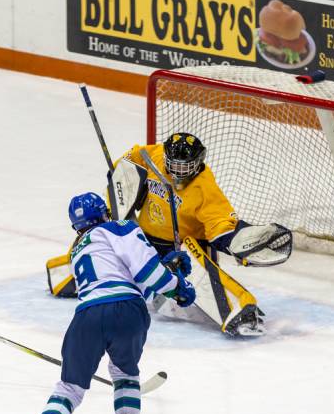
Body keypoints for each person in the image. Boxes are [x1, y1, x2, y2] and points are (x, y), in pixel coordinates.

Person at [7, 192, 195, 414]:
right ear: (105, 212)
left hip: (87, 316)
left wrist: (166, 269)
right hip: (129, 313)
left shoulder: (77, 250)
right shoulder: (120, 227)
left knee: (69, 388)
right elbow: (145, 276)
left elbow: (116, 277)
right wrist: (176, 285)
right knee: (125, 374)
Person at [119, 132, 292, 335]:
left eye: (184, 167)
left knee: (186, 284)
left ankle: (238, 308)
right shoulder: (154, 156)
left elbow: (220, 223)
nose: (177, 171)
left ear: (197, 163)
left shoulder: (204, 186)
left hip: (183, 250)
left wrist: (238, 241)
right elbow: (130, 161)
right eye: (174, 165)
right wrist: (122, 175)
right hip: (147, 239)